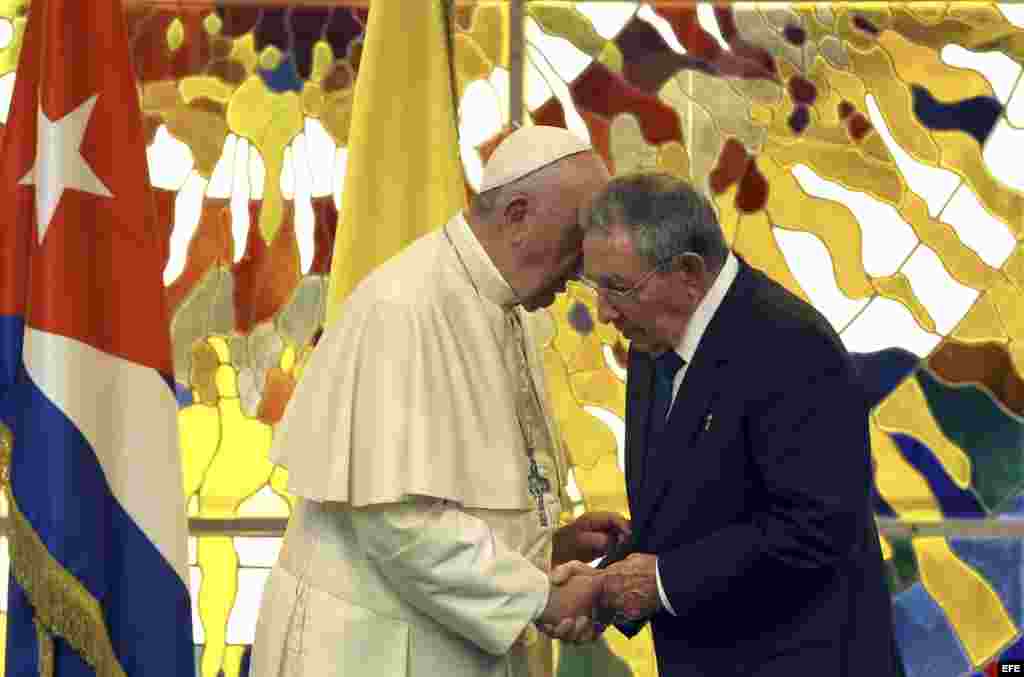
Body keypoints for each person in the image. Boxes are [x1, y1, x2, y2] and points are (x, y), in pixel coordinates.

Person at [250, 125, 623, 677]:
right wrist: (539, 597)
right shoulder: (405, 308)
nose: (582, 268)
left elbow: (469, 498)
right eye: (576, 238)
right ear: (517, 215)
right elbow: (397, 519)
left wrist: (549, 547)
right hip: (368, 653)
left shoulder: (505, 305)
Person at [552, 172, 900, 675]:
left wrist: (660, 582)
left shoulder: (791, 345)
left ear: (689, 272)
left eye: (618, 288)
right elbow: (691, 513)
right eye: (595, 286)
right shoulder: (651, 340)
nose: (604, 312)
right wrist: (602, 588)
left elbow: (816, 527)